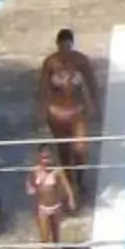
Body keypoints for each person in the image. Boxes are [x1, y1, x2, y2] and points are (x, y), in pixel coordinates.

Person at [37, 26, 99, 178]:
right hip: (56, 113)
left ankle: (80, 180)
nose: (65, 49)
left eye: (68, 46)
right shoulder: (50, 63)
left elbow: (92, 84)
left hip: (77, 111)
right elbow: (43, 88)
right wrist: (41, 111)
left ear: (72, 45)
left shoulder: (81, 60)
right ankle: (68, 181)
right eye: (62, 46)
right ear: (58, 45)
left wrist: (94, 105)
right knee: (63, 149)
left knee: (80, 149)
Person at [28, 140, 78, 249]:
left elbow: (67, 188)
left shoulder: (58, 171)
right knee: (44, 238)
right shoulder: (35, 171)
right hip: (42, 208)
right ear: (39, 157)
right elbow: (29, 184)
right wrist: (31, 188)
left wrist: (71, 200)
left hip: (56, 207)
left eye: (49, 157)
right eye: (44, 158)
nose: (47, 160)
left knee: (56, 234)